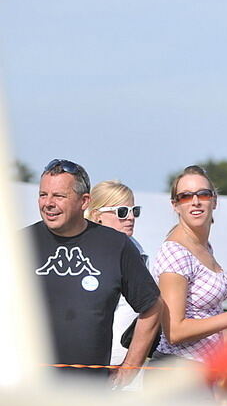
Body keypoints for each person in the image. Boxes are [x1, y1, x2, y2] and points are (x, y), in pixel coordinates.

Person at [27, 159, 160, 388]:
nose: (48, 203)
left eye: (59, 196)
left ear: (84, 201)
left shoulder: (116, 245)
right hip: (26, 391)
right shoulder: (19, 243)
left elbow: (153, 306)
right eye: (43, 195)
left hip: (89, 396)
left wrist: (129, 370)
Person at [154, 165, 227, 366]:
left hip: (203, 369)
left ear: (214, 200)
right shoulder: (175, 251)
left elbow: (205, 317)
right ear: (175, 205)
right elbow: (174, 331)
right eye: (186, 196)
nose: (195, 202)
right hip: (176, 370)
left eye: (203, 194)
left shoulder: (204, 247)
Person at [85, 180, 149, 389]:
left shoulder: (137, 250)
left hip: (131, 365)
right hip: (95, 365)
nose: (130, 217)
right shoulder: (84, 256)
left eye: (134, 210)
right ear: (97, 216)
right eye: (121, 211)